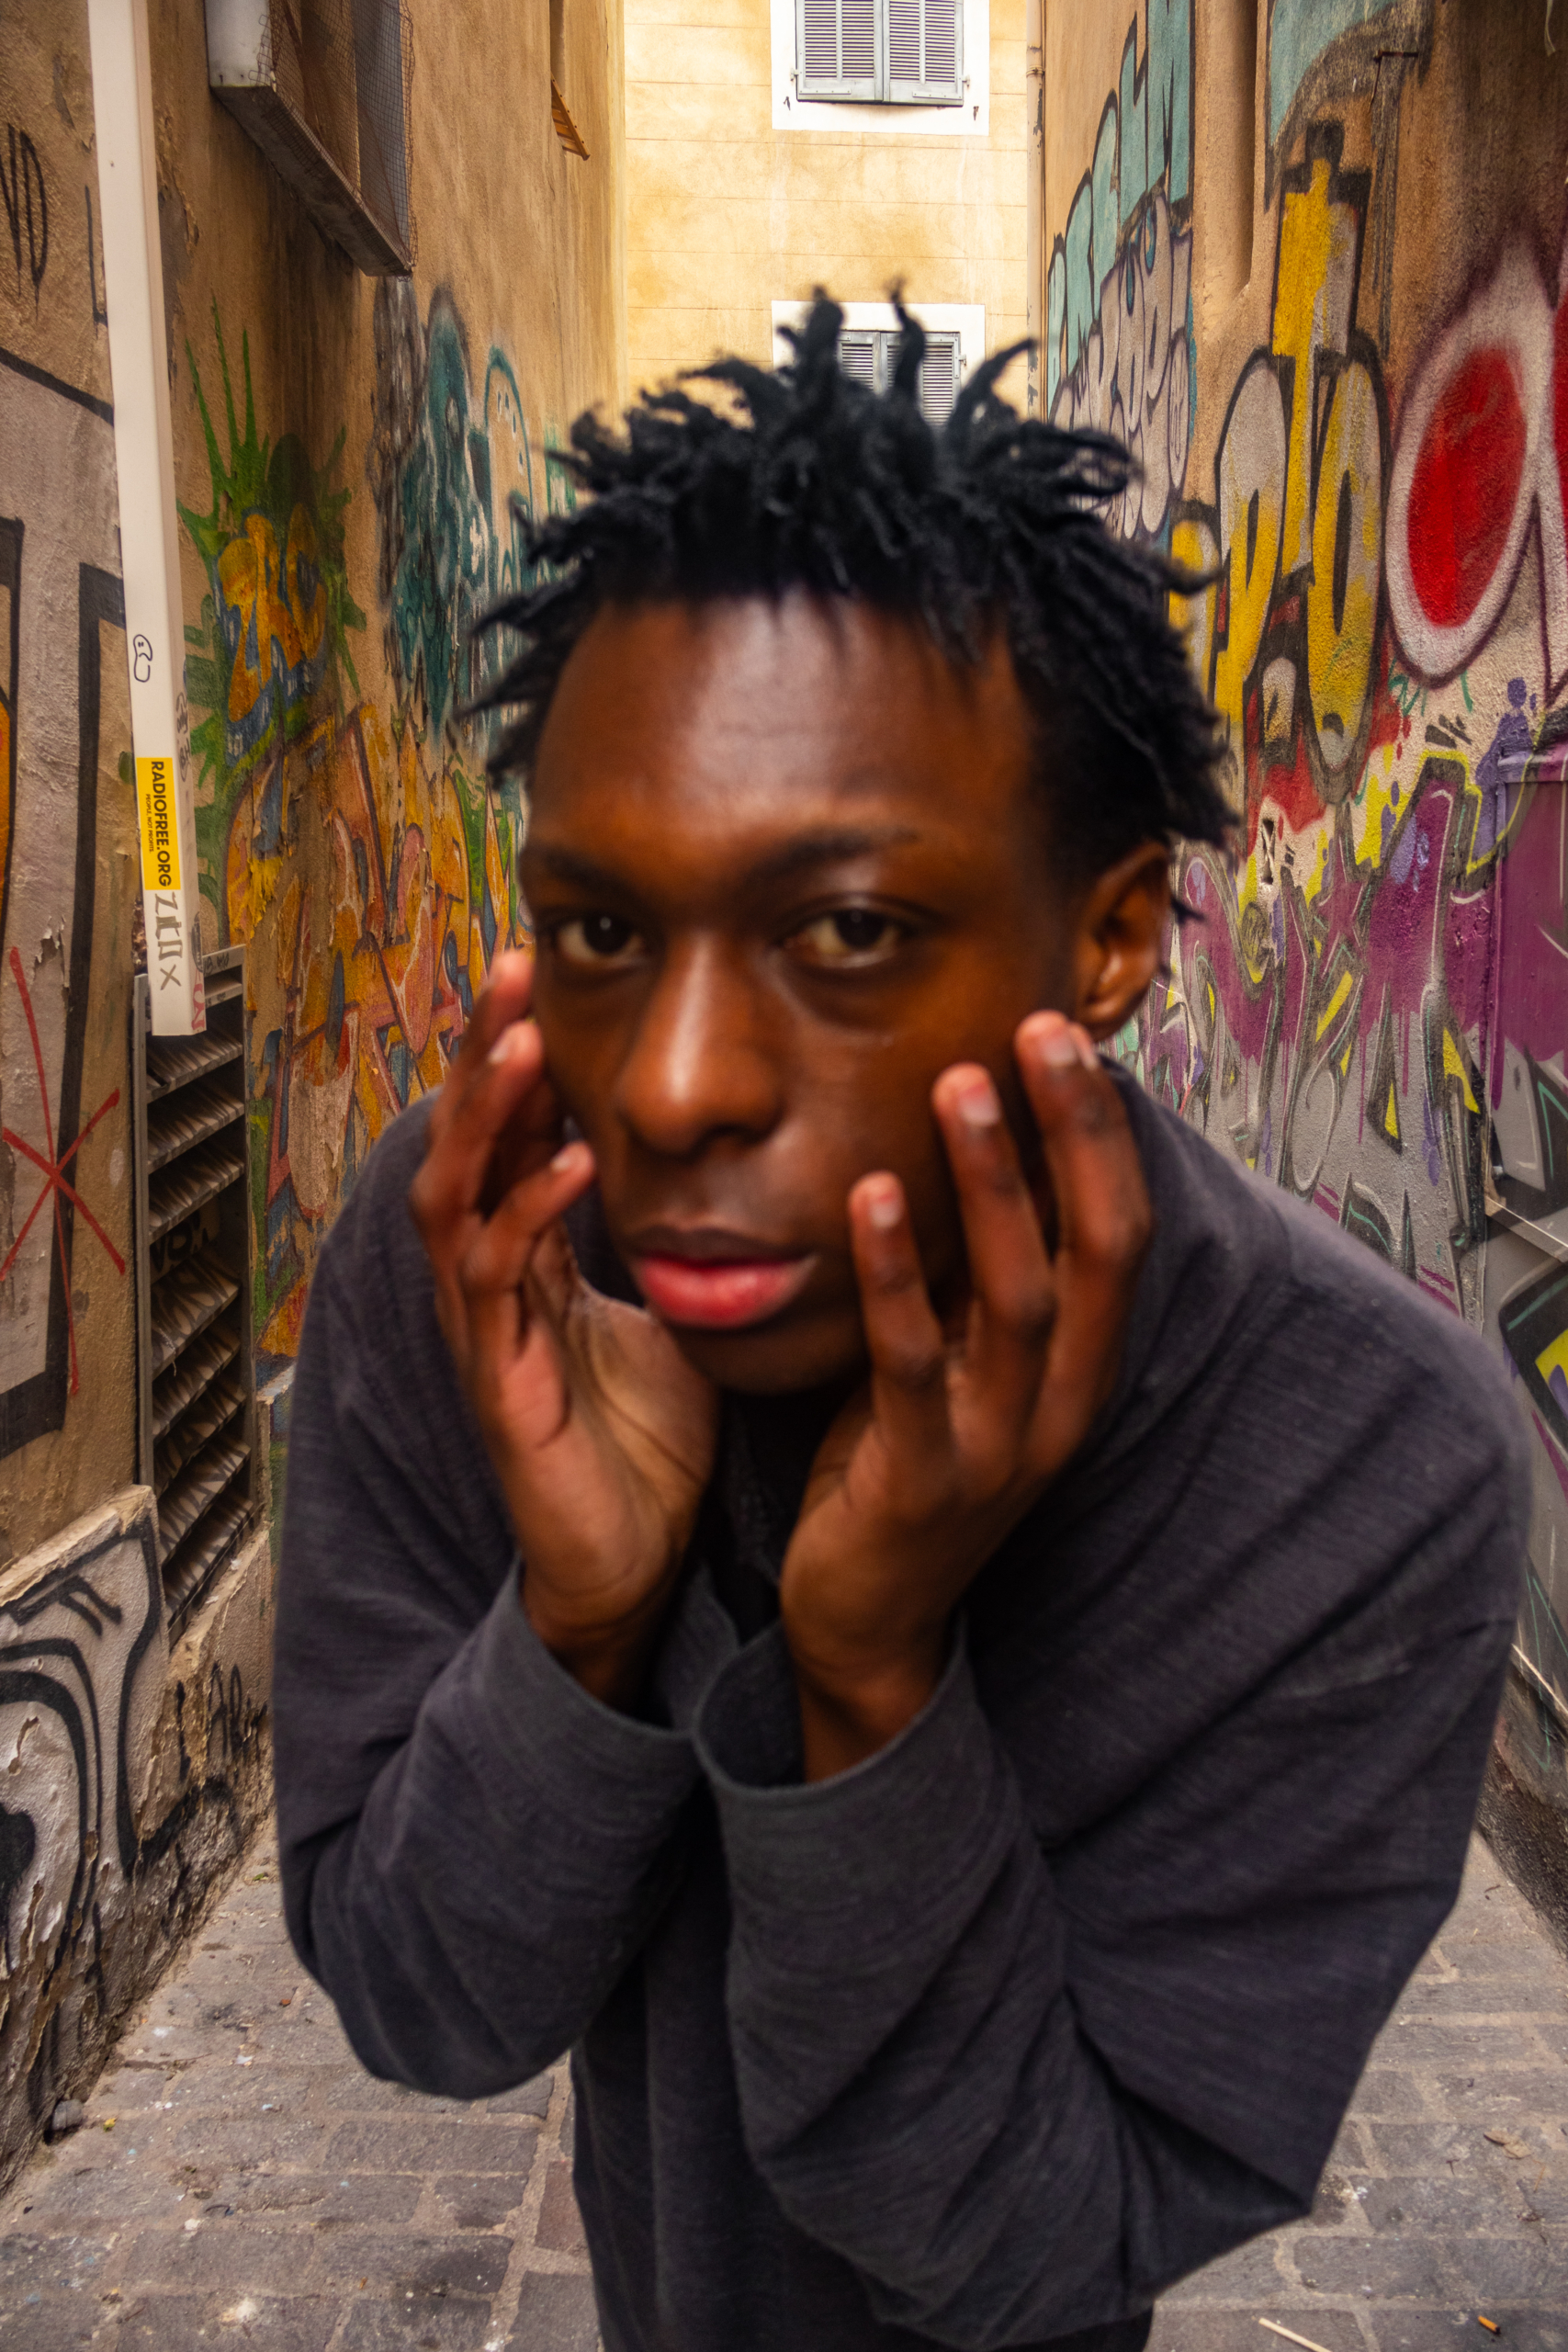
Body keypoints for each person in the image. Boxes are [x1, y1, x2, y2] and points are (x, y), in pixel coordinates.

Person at [274, 299, 1527, 2352]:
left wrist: (867, 1675)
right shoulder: (490, 1251)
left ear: (1109, 938)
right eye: (600, 927)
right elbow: (423, 2005)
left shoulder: (1361, 1456)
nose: (672, 1082)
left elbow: (1032, 2246)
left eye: (845, 928)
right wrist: (575, 1634)